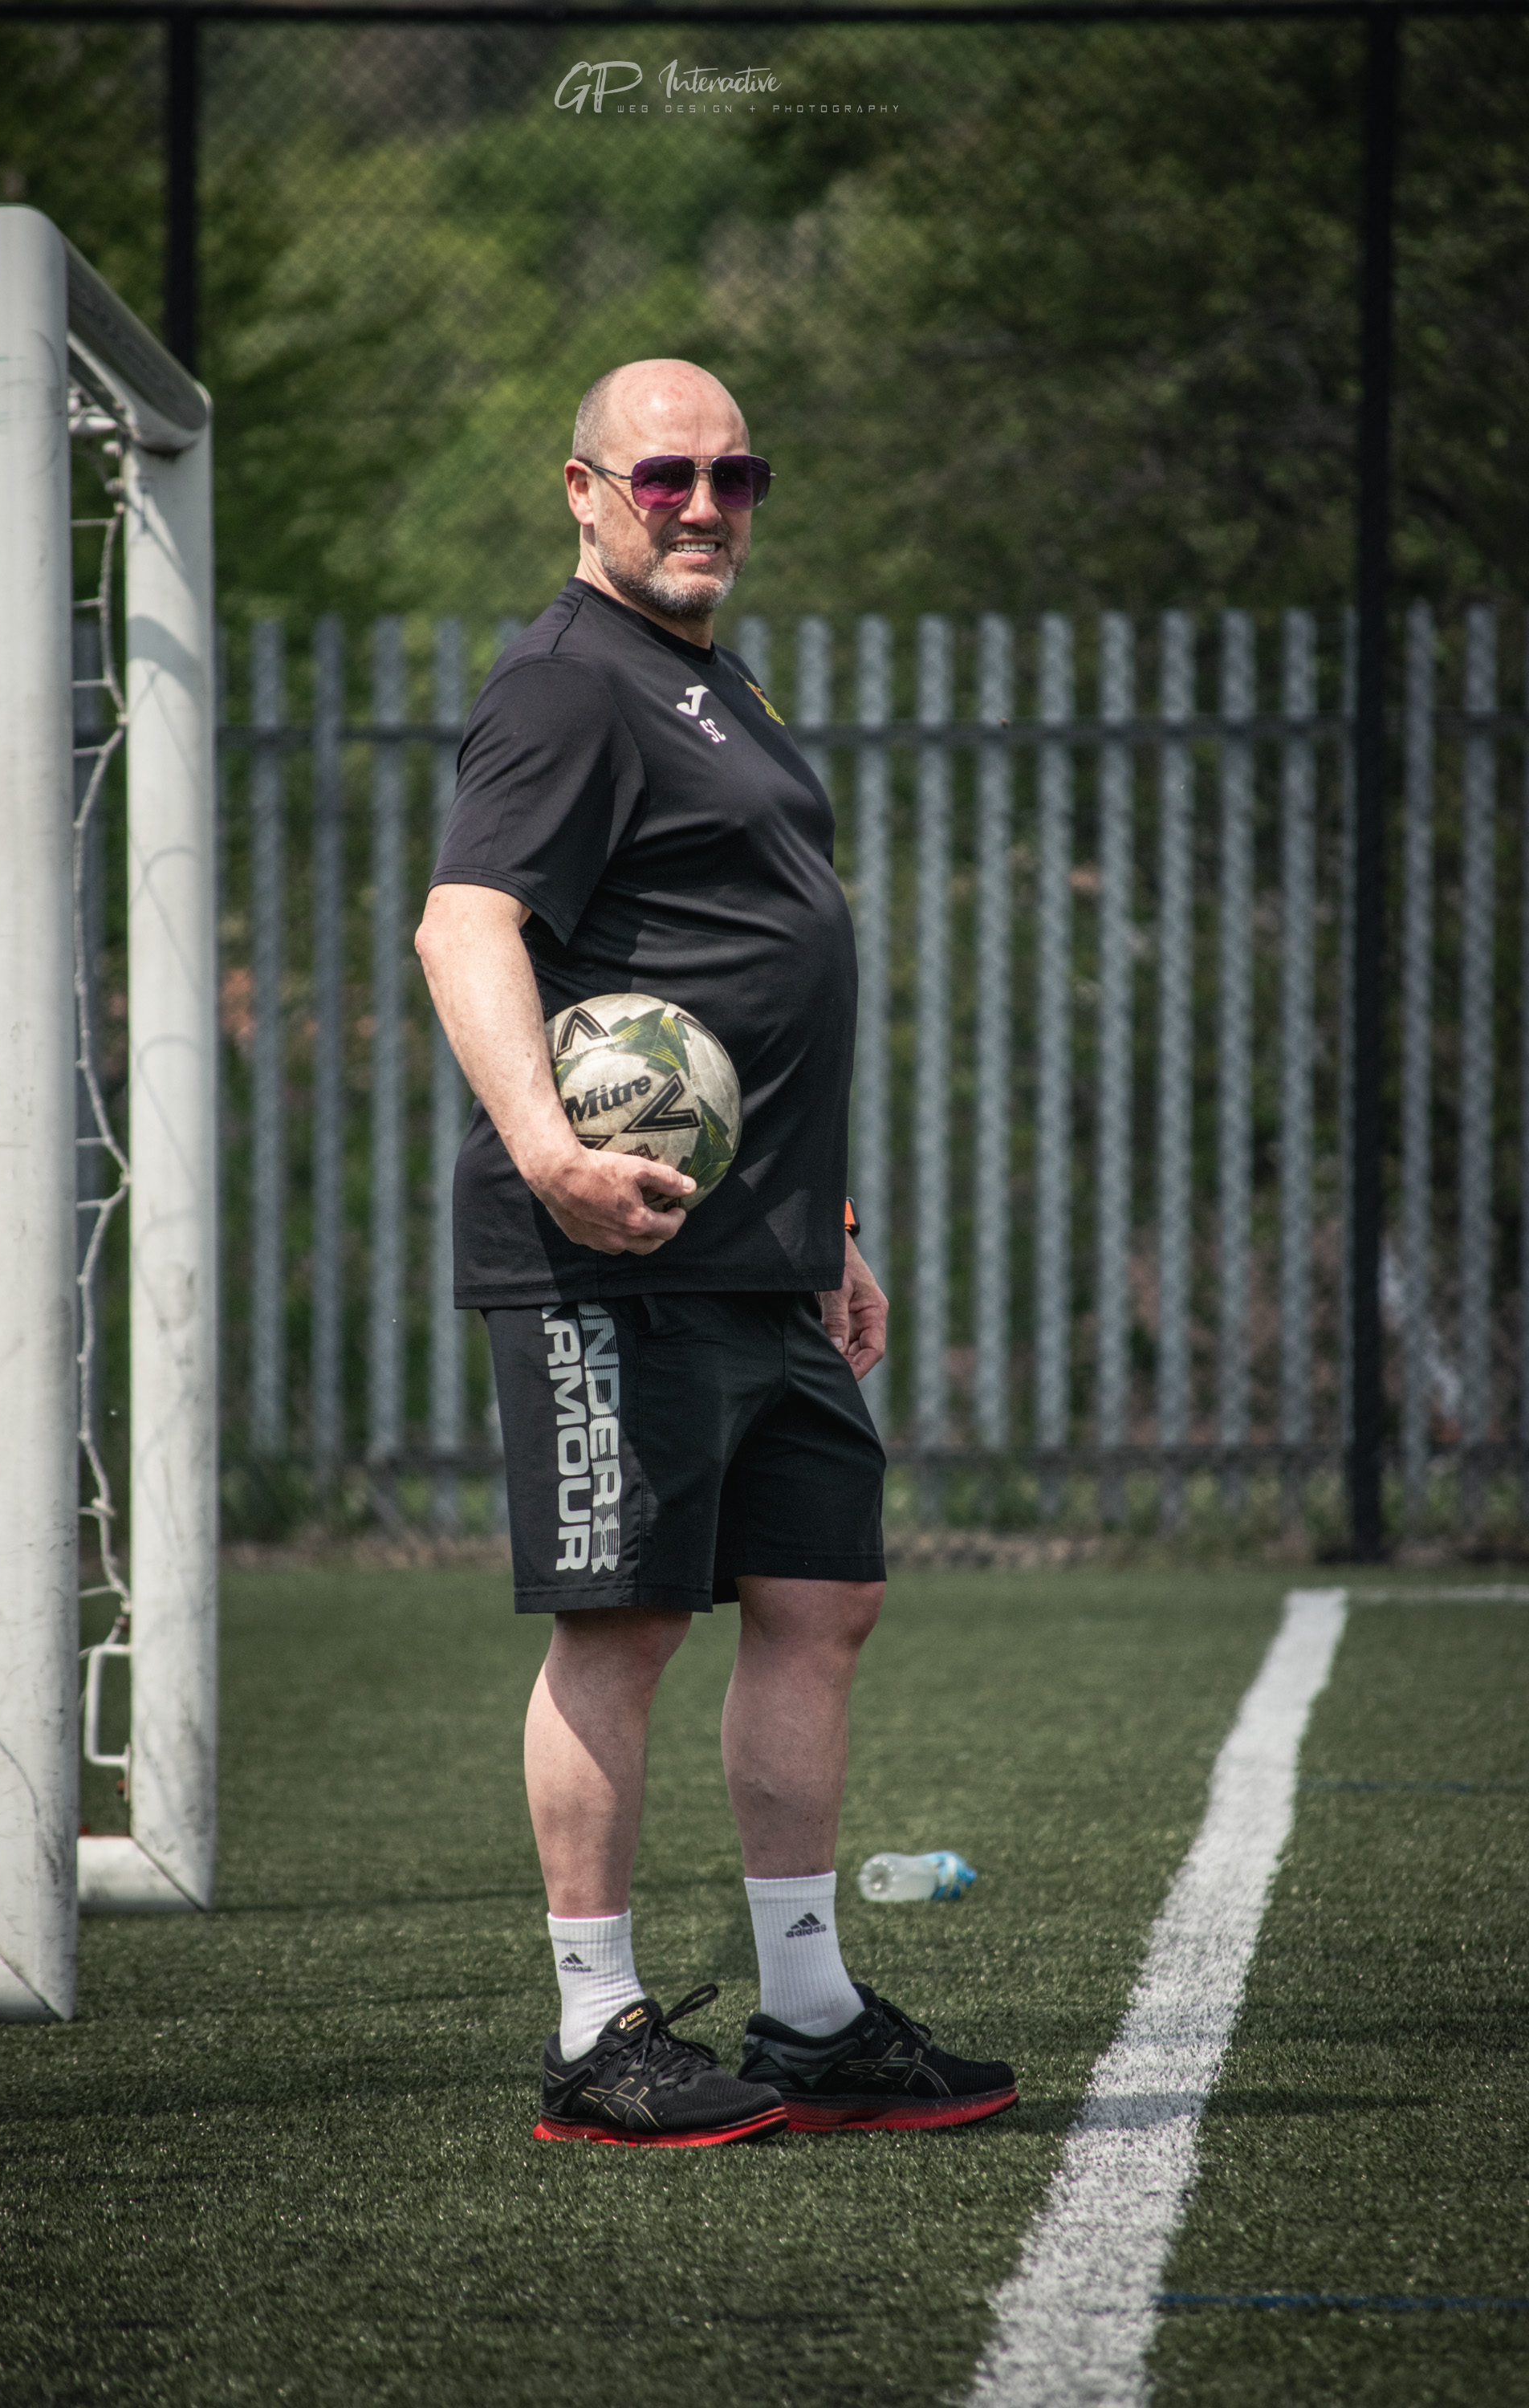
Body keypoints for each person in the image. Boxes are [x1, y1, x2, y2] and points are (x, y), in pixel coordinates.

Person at [416, 358, 1017, 2147]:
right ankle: (596, 2036)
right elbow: (467, 930)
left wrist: (826, 1224)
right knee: (626, 1619)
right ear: (584, 491)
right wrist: (548, 1155)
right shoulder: (564, 684)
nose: (704, 503)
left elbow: (742, 976)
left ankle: (811, 2011)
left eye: (734, 473)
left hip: (761, 1259)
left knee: (822, 1603)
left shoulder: (705, 680)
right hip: (615, 1254)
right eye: (664, 473)